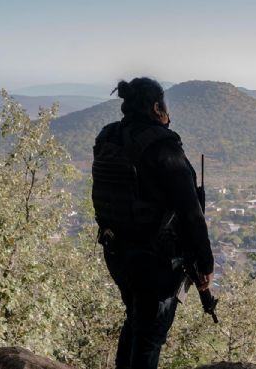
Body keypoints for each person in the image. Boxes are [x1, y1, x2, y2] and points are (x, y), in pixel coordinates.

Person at [91, 77, 214, 369]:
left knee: (135, 322)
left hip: (117, 251)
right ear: (157, 107)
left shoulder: (108, 137)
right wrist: (205, 262)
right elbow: (190, 212)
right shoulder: (163, 146)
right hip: (155, 260)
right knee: (150, 336)